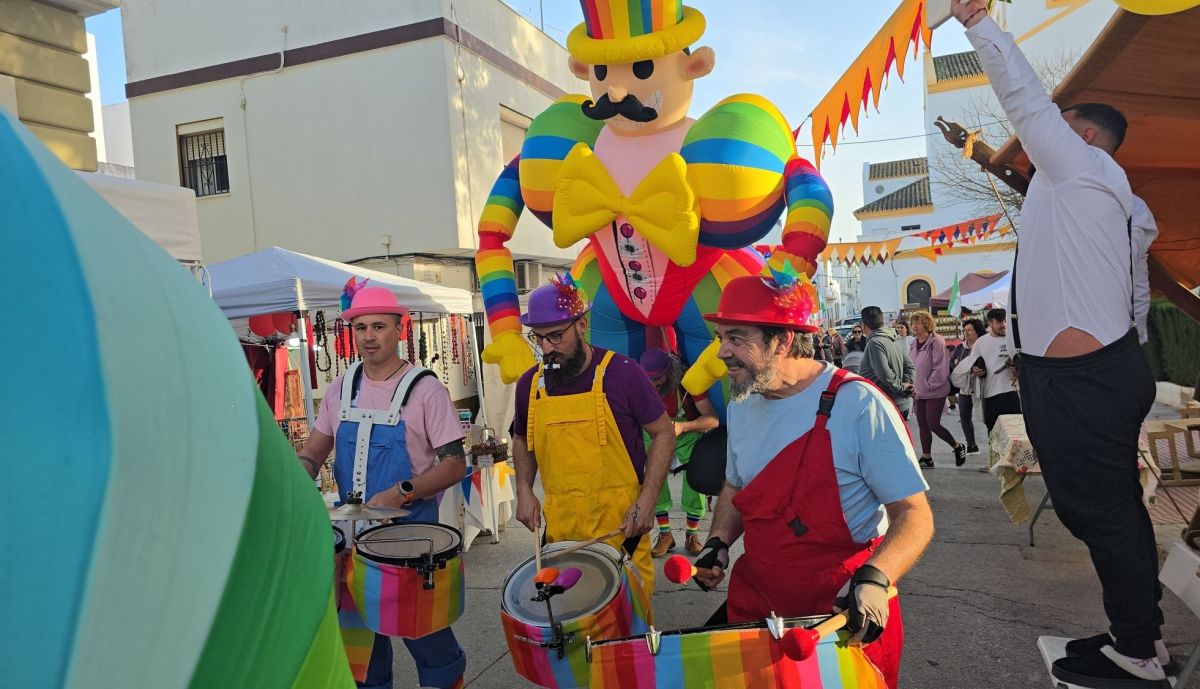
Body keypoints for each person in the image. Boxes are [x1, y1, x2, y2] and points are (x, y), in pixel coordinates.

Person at [956, 4, 1167, 686]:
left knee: (1098, 512)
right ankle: (1140, 636)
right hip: (1100, 371)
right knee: (1109, 511)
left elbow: (1024, 100)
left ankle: (1137, 647)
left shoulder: (1078, 166)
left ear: (1081, 132)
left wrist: (976, 22)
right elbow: (1136, 296)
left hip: (1082, 380)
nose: (1035, 142)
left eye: (1059, 125)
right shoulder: (1112, 199)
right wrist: (1120, 357)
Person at [690, 275, 933, 689]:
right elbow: (735, 485)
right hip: (757, 607)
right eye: (719, 337)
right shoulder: (744, 402)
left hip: (839, 615)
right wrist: (718, 543)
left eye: (735, 338)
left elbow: (914, 515)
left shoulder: (858, 404)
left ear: (782, 340)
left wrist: (876, 579)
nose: (721, 352)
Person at [296, 286, 468, 689]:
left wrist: (403, 490)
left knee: (432, 649)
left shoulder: (426, 390)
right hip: (354, 547)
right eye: (360, 327)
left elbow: (456, 464)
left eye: (378, 326)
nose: (368, 336)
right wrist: (296, 472)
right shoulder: (341, 387)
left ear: (399, 330)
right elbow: (316, 449)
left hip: (410, 547)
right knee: (363, 661)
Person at [510, 275, 675, 597]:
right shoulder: (529, 384)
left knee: (629, 631)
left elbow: (664, 433)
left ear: (582, 325)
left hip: (623, 529)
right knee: (573, 627)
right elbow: (520, 438)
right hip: (562, 534)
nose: (546, 348)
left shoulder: (623, 373)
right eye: (538, 338)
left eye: (556, 336)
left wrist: (648, 499)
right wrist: (524, 490)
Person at [639, 348, 720, 557]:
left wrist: (684, 427)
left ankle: (691, 534)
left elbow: (712, 420)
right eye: (648, 380)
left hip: (687, 438)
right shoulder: (640, 387)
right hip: (654, 437)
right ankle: (665, 534)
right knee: (653, 478)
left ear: (670, 372)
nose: (654, 384)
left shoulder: (688, 384)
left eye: (658, 378)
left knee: (697, 480)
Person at [908, 311, 967, 469]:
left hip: (934, 390)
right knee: (922, 424)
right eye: (912, 323)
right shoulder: (913, 343)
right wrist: (911, 384)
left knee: (933, 423)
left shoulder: (936, 342)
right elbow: (911, 366)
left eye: (918, 323)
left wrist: (927, 386)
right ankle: (927, 457)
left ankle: (957, 446)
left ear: (927, 325)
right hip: (919, 391)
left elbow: (940, 369)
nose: (914, 326)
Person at [966, 308, 1021, 434]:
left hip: (1013, 393)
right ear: (990, 324)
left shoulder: (1014, 339)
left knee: (1016, 433)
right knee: (993, 433)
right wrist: (976, 370)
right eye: (999, 322)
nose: (1004, 325)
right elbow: (971, 365)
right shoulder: (981, 342)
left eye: (1005, 321)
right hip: (990, 395)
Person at [859, 306, 916, 420]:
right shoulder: (892, 338)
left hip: (886, 406)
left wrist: (903, 388)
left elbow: (885, 375)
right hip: (898, 404)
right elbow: (909, 366)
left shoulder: (875, 343)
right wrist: (906, 384)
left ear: (863, 325)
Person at [949, 318, 986, 457]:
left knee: (986, 416)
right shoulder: (960, 347)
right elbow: (952, 363)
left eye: (969, 330)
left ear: (977, 331)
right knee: (964, 416)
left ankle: (993, 445)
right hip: (965, 388)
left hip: (981, 386)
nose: (966, 333)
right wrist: (960, 367)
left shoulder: (983, 345)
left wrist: (980, 370)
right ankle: (971, 445)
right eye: (965, 330)